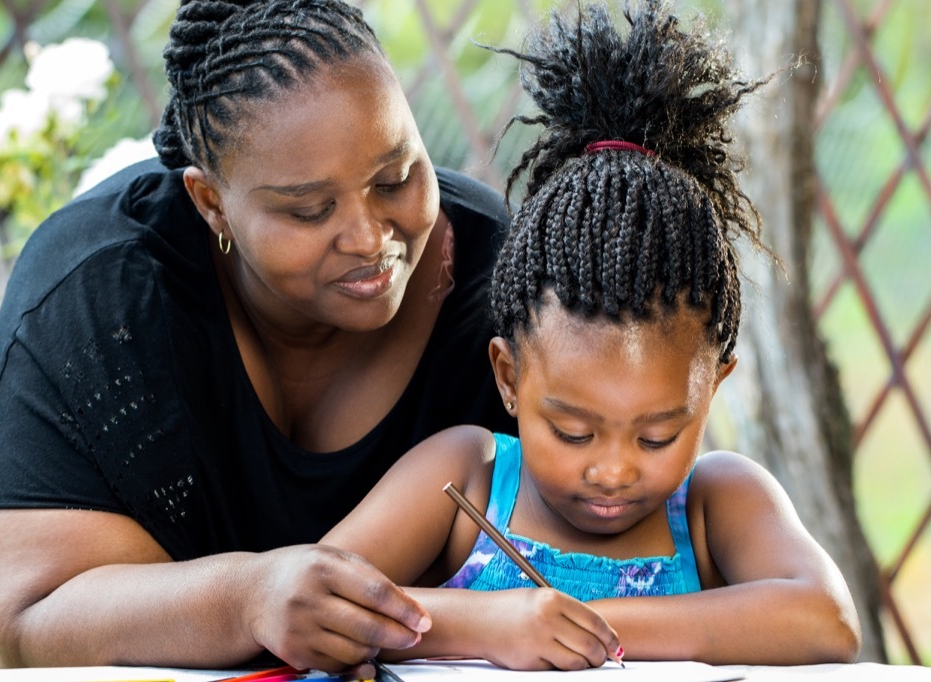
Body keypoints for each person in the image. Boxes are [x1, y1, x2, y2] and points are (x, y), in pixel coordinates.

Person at [0, 0, 518, 671]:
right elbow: (36, 622)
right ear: (210, 201)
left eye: (395, 177)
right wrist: (246, 599)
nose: (370, 238)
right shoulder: (97, 296)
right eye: (310, 209)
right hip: (95, 611)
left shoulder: (492, 279)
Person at [322, 0, 863, 669]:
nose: (611, 470)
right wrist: (490, 625)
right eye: (574, 432)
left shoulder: (715, 505)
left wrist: (588, 625)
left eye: (657, 436)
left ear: (714, 385)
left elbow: (827, 619)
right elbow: (321, 601)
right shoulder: (468, 476)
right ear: (509, 376)